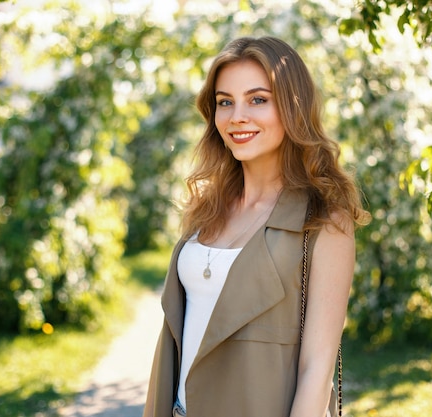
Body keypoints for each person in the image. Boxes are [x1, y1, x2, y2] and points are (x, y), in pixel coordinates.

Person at [143, 36, 369, 417]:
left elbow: (317, 369)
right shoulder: (207, 208)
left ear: (292, 107)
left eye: (258, 99)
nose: (237, 117)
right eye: (225, 102)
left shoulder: (324, 221)